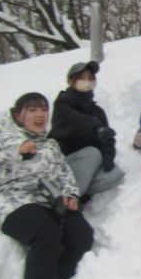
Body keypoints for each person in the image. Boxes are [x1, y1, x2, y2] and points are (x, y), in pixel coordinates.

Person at [0, 93, 93, 279]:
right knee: (46, 234)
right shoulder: (8, 134)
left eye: (43, 109)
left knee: (81, 236)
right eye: (32, 110)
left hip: (48, 200)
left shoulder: (51, 145)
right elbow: (5, 148)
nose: (40, 114)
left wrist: (71, 195)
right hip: (12, 200)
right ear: (19, 116)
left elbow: (64, 174)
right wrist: (21, 148)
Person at [49, 61, 124, 198]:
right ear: (71, 81)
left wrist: (108, 156)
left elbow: (107, 138)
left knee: (115, 174)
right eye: (82, 78)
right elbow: (74, 120)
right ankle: (69, 200)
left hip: (88, 165)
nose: (87, 81)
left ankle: (76, 193)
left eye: (90, 78)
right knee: (92, 153)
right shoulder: (63, 103)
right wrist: (96, 128)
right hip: (64, 163)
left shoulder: (97, 111)